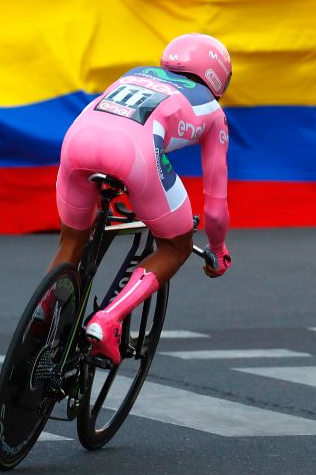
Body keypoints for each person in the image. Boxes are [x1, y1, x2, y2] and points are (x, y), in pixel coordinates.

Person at [48, 34, 233, 365]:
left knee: (71, 243)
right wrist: (217, 252)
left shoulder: (135, 73)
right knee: (175, 247)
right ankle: (107, 321)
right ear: (218, 76)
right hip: (134, 155)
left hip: (77, 141)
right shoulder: (214, 111)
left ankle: (40, 318)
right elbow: (215, 206)